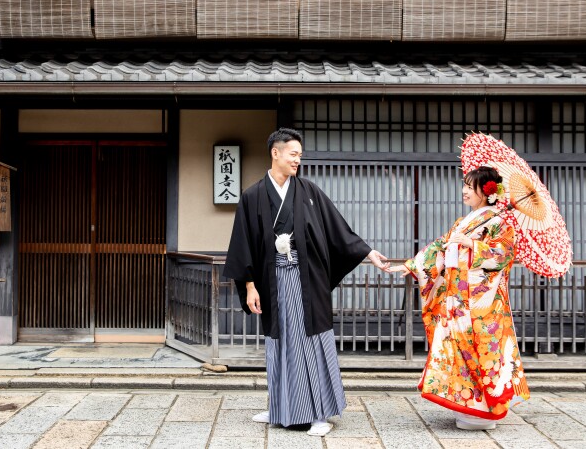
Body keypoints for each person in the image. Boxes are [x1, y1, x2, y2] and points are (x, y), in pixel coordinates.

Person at [223, 127, 390, 437]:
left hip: (306, 281)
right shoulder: (253, 195)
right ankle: (280, 407)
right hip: (273, 281)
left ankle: (318, 414)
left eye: (299, 155)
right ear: (276, 153)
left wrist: (367, 252)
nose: (298, 160)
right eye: (293, 154)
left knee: (310, 341)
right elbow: (242, 243)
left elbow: (339, 231)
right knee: (280, 342)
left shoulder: (309, 192)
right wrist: (249, 286)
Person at [388, 166, 529, 430]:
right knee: (456, 351)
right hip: (456, 300)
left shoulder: (499, 221)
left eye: (470, 186)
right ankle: (466, 405)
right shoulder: (466, 221)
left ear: (486, 191)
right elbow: (440, 247)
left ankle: (484, 410)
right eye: (464, 184)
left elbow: (504, 255)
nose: (464, 190)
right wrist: (411, 265)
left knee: (481, 353)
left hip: (481, 305)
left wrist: (473, 244)